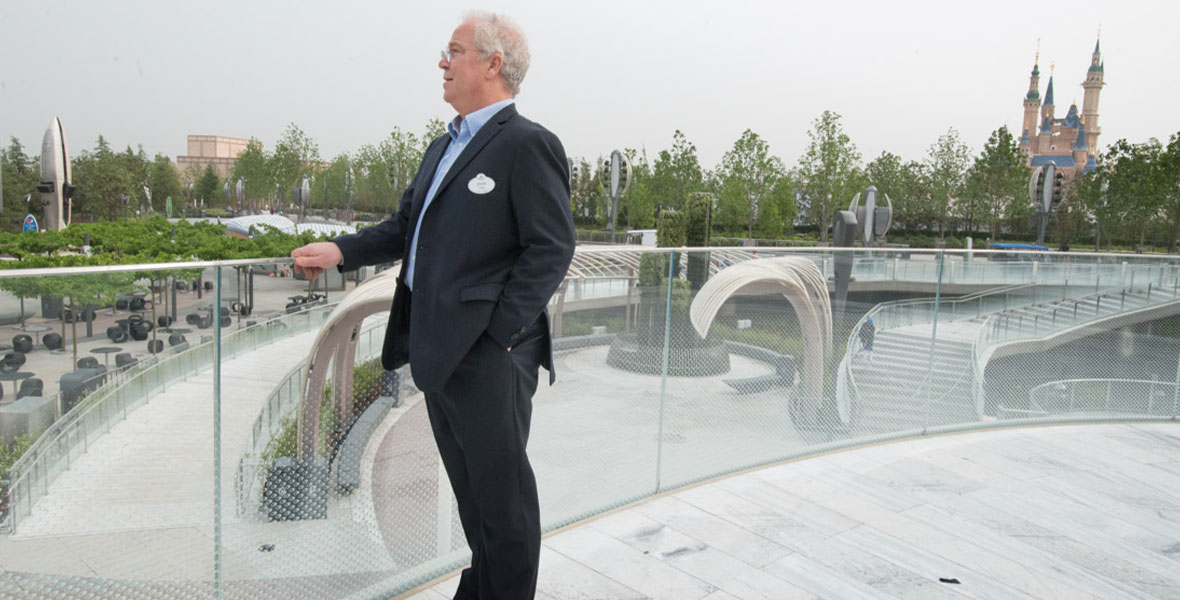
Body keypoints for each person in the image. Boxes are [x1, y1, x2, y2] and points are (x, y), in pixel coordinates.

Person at [290, 12, 574, 600]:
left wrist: (497, 334)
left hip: (490, 356)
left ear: (493, 65)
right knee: (475, 500)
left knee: (507, 507)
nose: (442, 63)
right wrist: (340, 249)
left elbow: (550, 249)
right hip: (440, 352)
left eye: (454, 51)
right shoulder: (443, 144)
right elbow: (404, 228)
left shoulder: (527, 145)